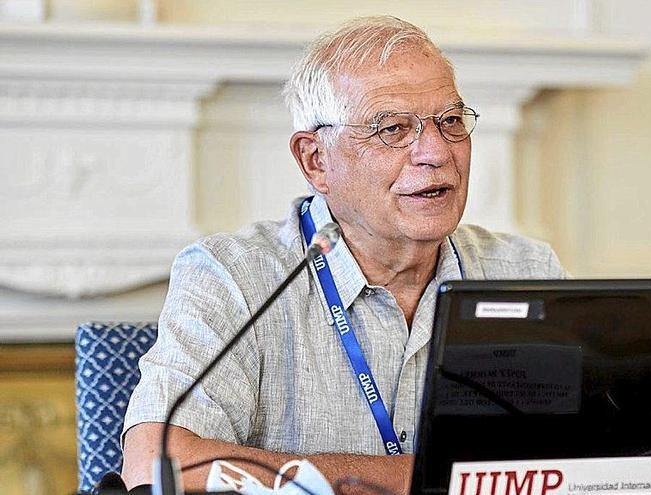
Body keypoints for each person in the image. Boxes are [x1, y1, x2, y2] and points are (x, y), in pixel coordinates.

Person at [121, 15, 565, 493]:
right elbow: (156, 463)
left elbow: (594, 453)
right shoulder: (235, 277)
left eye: (451, 121)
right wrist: (415, 478)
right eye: (393, 129)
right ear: (316, 160)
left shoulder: (525, 273)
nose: (435, 150)